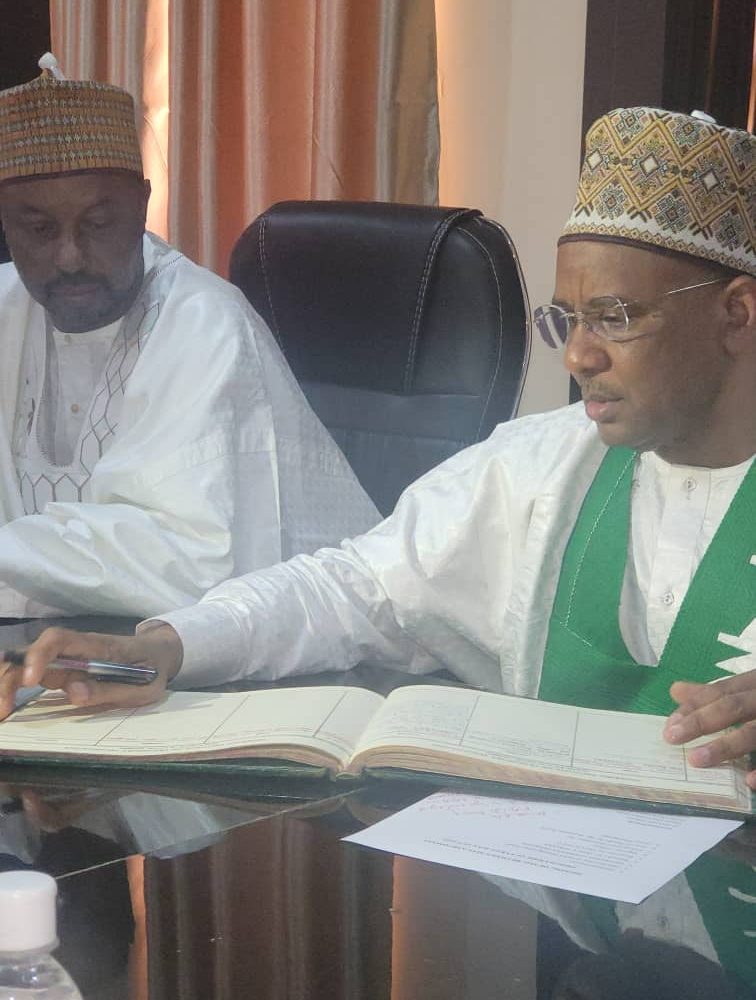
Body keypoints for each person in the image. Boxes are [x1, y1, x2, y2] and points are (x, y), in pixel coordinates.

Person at [3, 107, 755, 982]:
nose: (579, 356)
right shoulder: (545, 467)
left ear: (737, 315)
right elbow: (351, 584)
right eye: (566, 319)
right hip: (569, 926)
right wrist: (161, 647)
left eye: (616, 317)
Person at [0, 55, 379, 620]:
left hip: (248, 662)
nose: (69, 256)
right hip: (55, 654)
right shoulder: (8, 306)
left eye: (98, 224)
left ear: (142, 205)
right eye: (38, 229)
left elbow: (188, 561)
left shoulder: (204, 323)